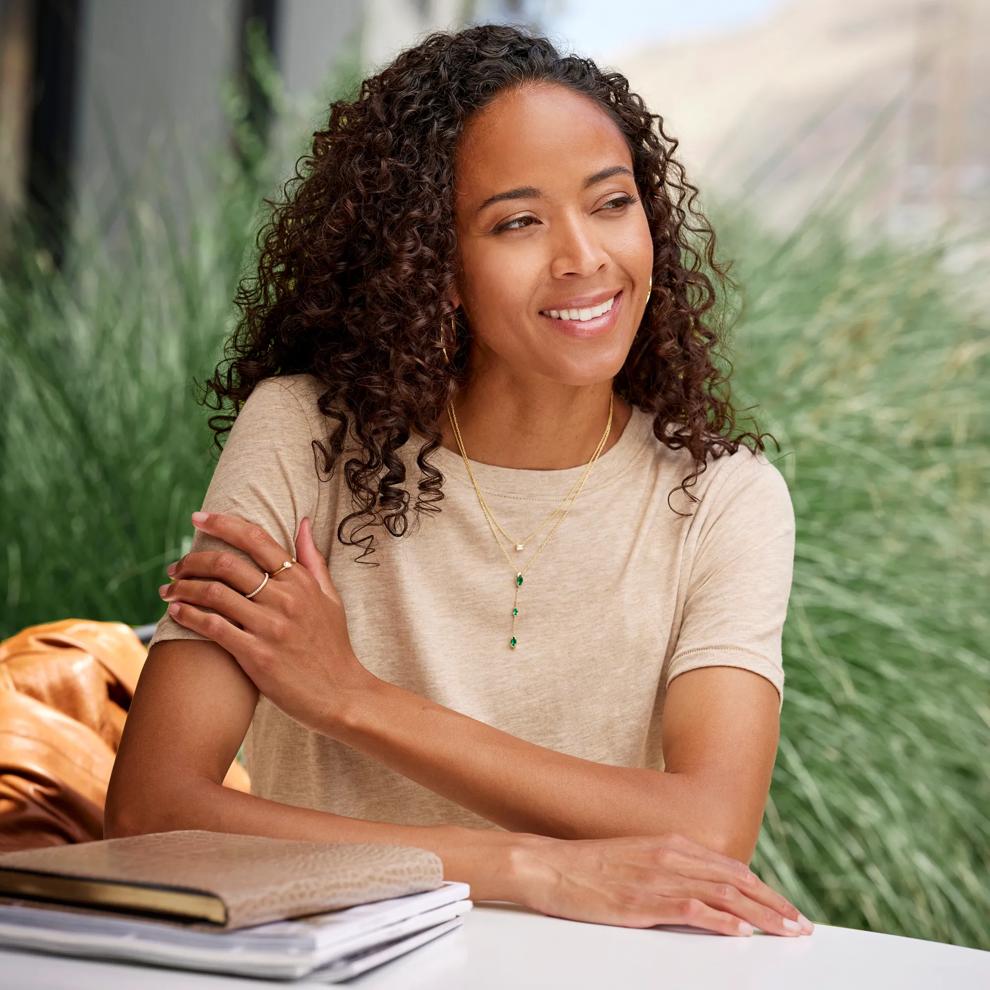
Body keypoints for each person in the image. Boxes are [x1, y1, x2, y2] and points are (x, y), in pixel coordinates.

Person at [105, 23, 812, 938]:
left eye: (611, 203)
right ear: (432, 264)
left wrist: (355, 699)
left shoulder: (723, 498)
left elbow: (713, 826)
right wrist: (523, 868)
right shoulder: (305, 436)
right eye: (517, 221)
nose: (584, 257)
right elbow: (152, 811)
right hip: (336, 965)